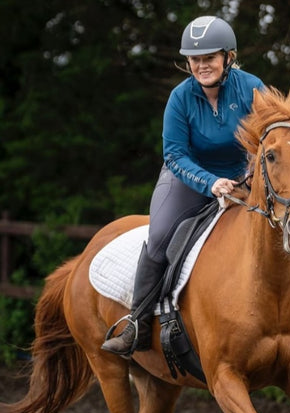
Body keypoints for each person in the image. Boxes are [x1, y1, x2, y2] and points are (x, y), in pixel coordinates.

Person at [101, 15, 265, 356]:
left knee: (280, 231)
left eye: (209, 58)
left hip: (243, 179)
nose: (202, 66)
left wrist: (248, 177)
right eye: (195, 59)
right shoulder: (180, 97)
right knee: (160, 237)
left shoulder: (253, 88)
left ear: (228, 57)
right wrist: (211, 183)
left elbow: (268, 141)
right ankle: (138, 322)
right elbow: (174, 154)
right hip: (187, 179)